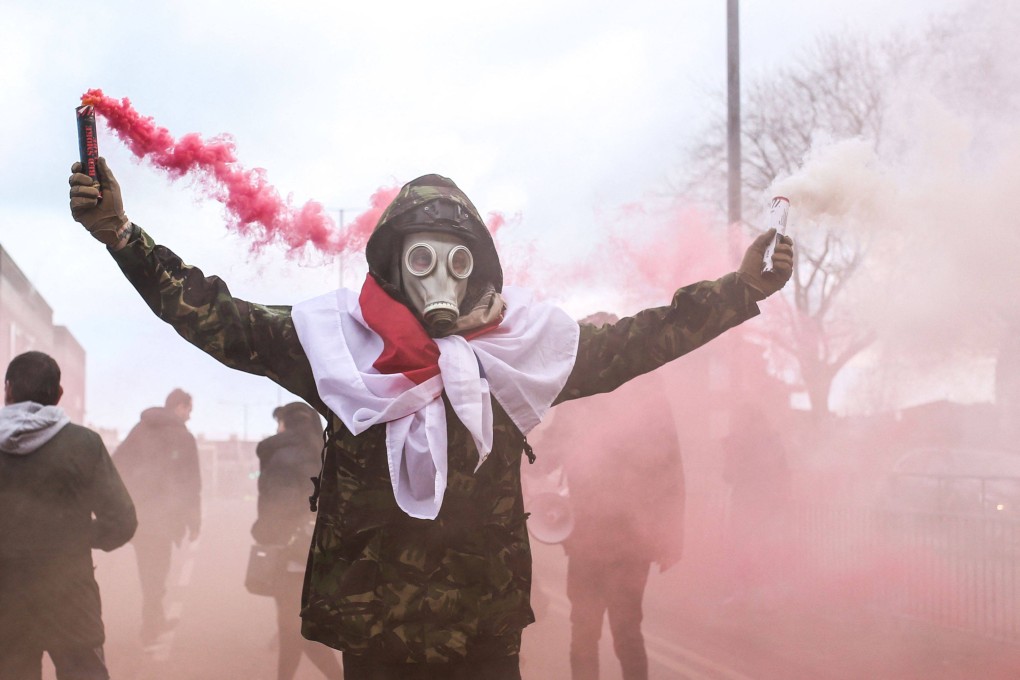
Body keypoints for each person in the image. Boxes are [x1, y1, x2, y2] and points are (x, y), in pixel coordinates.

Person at [68, 157, 793, 679]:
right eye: (422, 257)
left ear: (479, 269)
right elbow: (213, 314)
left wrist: (743, 288)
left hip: (482, 637)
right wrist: (122, 236)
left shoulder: (520, 355)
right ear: (391, 263)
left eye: (457, 260)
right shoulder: (336, 348)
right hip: (375, 635)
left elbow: (642, 337)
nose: (439, 278)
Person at [534, 330, 684, 680]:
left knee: (612, 632)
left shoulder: (644, 393)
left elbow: (669, 469)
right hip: (591, 535)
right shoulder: (585, 391)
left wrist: (670, 537)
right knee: (596, 631)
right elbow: (551, 450)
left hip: (625, 539)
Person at [0, 351, 137, 679]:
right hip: (70, 596)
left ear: (7, 390)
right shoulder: (84, 444)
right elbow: (122, 521)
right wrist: (73, 536)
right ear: (58, 395)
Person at [252, 402, 343, 680]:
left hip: (291, 555)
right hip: (318, 554)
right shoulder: (325, 453)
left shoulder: (284, 456)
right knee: (295, 627)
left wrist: (262, 532)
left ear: (287, 424)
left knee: (294, 629)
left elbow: (276, 508)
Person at [113, 388, 201, 644]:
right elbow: (192, 482)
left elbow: (117, 463)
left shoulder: (140, 429)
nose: (190, 416)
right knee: (158, 571)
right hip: (165, 516)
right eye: (189, 410)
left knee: (148, 571)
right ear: (179, 407)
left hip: (140, 515)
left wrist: (126, 500)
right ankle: (151, 627)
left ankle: (154, 621)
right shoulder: (183, 437)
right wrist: (194, 522)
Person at [721, 403, 792, 608]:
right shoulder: (772, 440)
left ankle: (743, 592)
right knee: (765, 546)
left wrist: (729, 451)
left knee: (741, 546)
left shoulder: (738, 442)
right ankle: (766, 594)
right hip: (768, 501)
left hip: (745, 500)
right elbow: (783, 471)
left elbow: (728, 475)